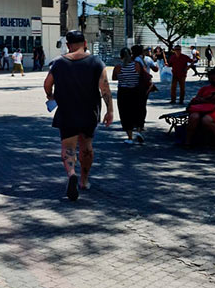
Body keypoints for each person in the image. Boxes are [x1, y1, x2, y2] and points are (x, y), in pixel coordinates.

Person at [44, 30, 114, 201]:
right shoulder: (96, 62)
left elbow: (47, 84)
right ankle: (84, 180)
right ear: (85, 43)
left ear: (68, 45)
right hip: (89, 112)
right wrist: (110, 110)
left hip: (67, 111)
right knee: (86, 146)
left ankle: (71, 174)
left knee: (68, 146)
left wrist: (50, 96)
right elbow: (104, 88)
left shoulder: (59, 63)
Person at [185, 67, 215, 148]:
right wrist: (209, 99)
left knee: (206, 120)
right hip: (202, 109)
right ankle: (188, 141)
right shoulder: (204, 89)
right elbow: (196, 99)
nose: (213, 80)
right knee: (193, 117)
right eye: (211, 79)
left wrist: (206, 100)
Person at [112, 48, 144, 144]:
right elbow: (140, 76)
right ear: (131, 55)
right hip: (136, 91)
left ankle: (130, 137)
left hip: (123, 92)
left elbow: (114, 78)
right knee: (138, 111)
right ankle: (138, 131)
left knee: (125, 114)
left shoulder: (118, 67)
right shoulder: (136, 65)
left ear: (121, 56)